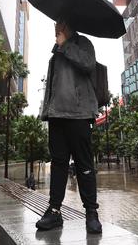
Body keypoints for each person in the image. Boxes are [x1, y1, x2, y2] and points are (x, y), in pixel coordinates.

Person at [35, 19, 102, 234]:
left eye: (61, 24)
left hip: (79, 115)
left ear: (69, 26)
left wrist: (66, 45)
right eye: (56, 24)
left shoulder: (83, 44)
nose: (56, 28)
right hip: (57, 116)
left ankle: (91, 212)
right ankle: (54, 211)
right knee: (58, 164)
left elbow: (88, 64)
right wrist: (46, 112)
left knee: (84, 164)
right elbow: (51, 87)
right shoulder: (55, 53)